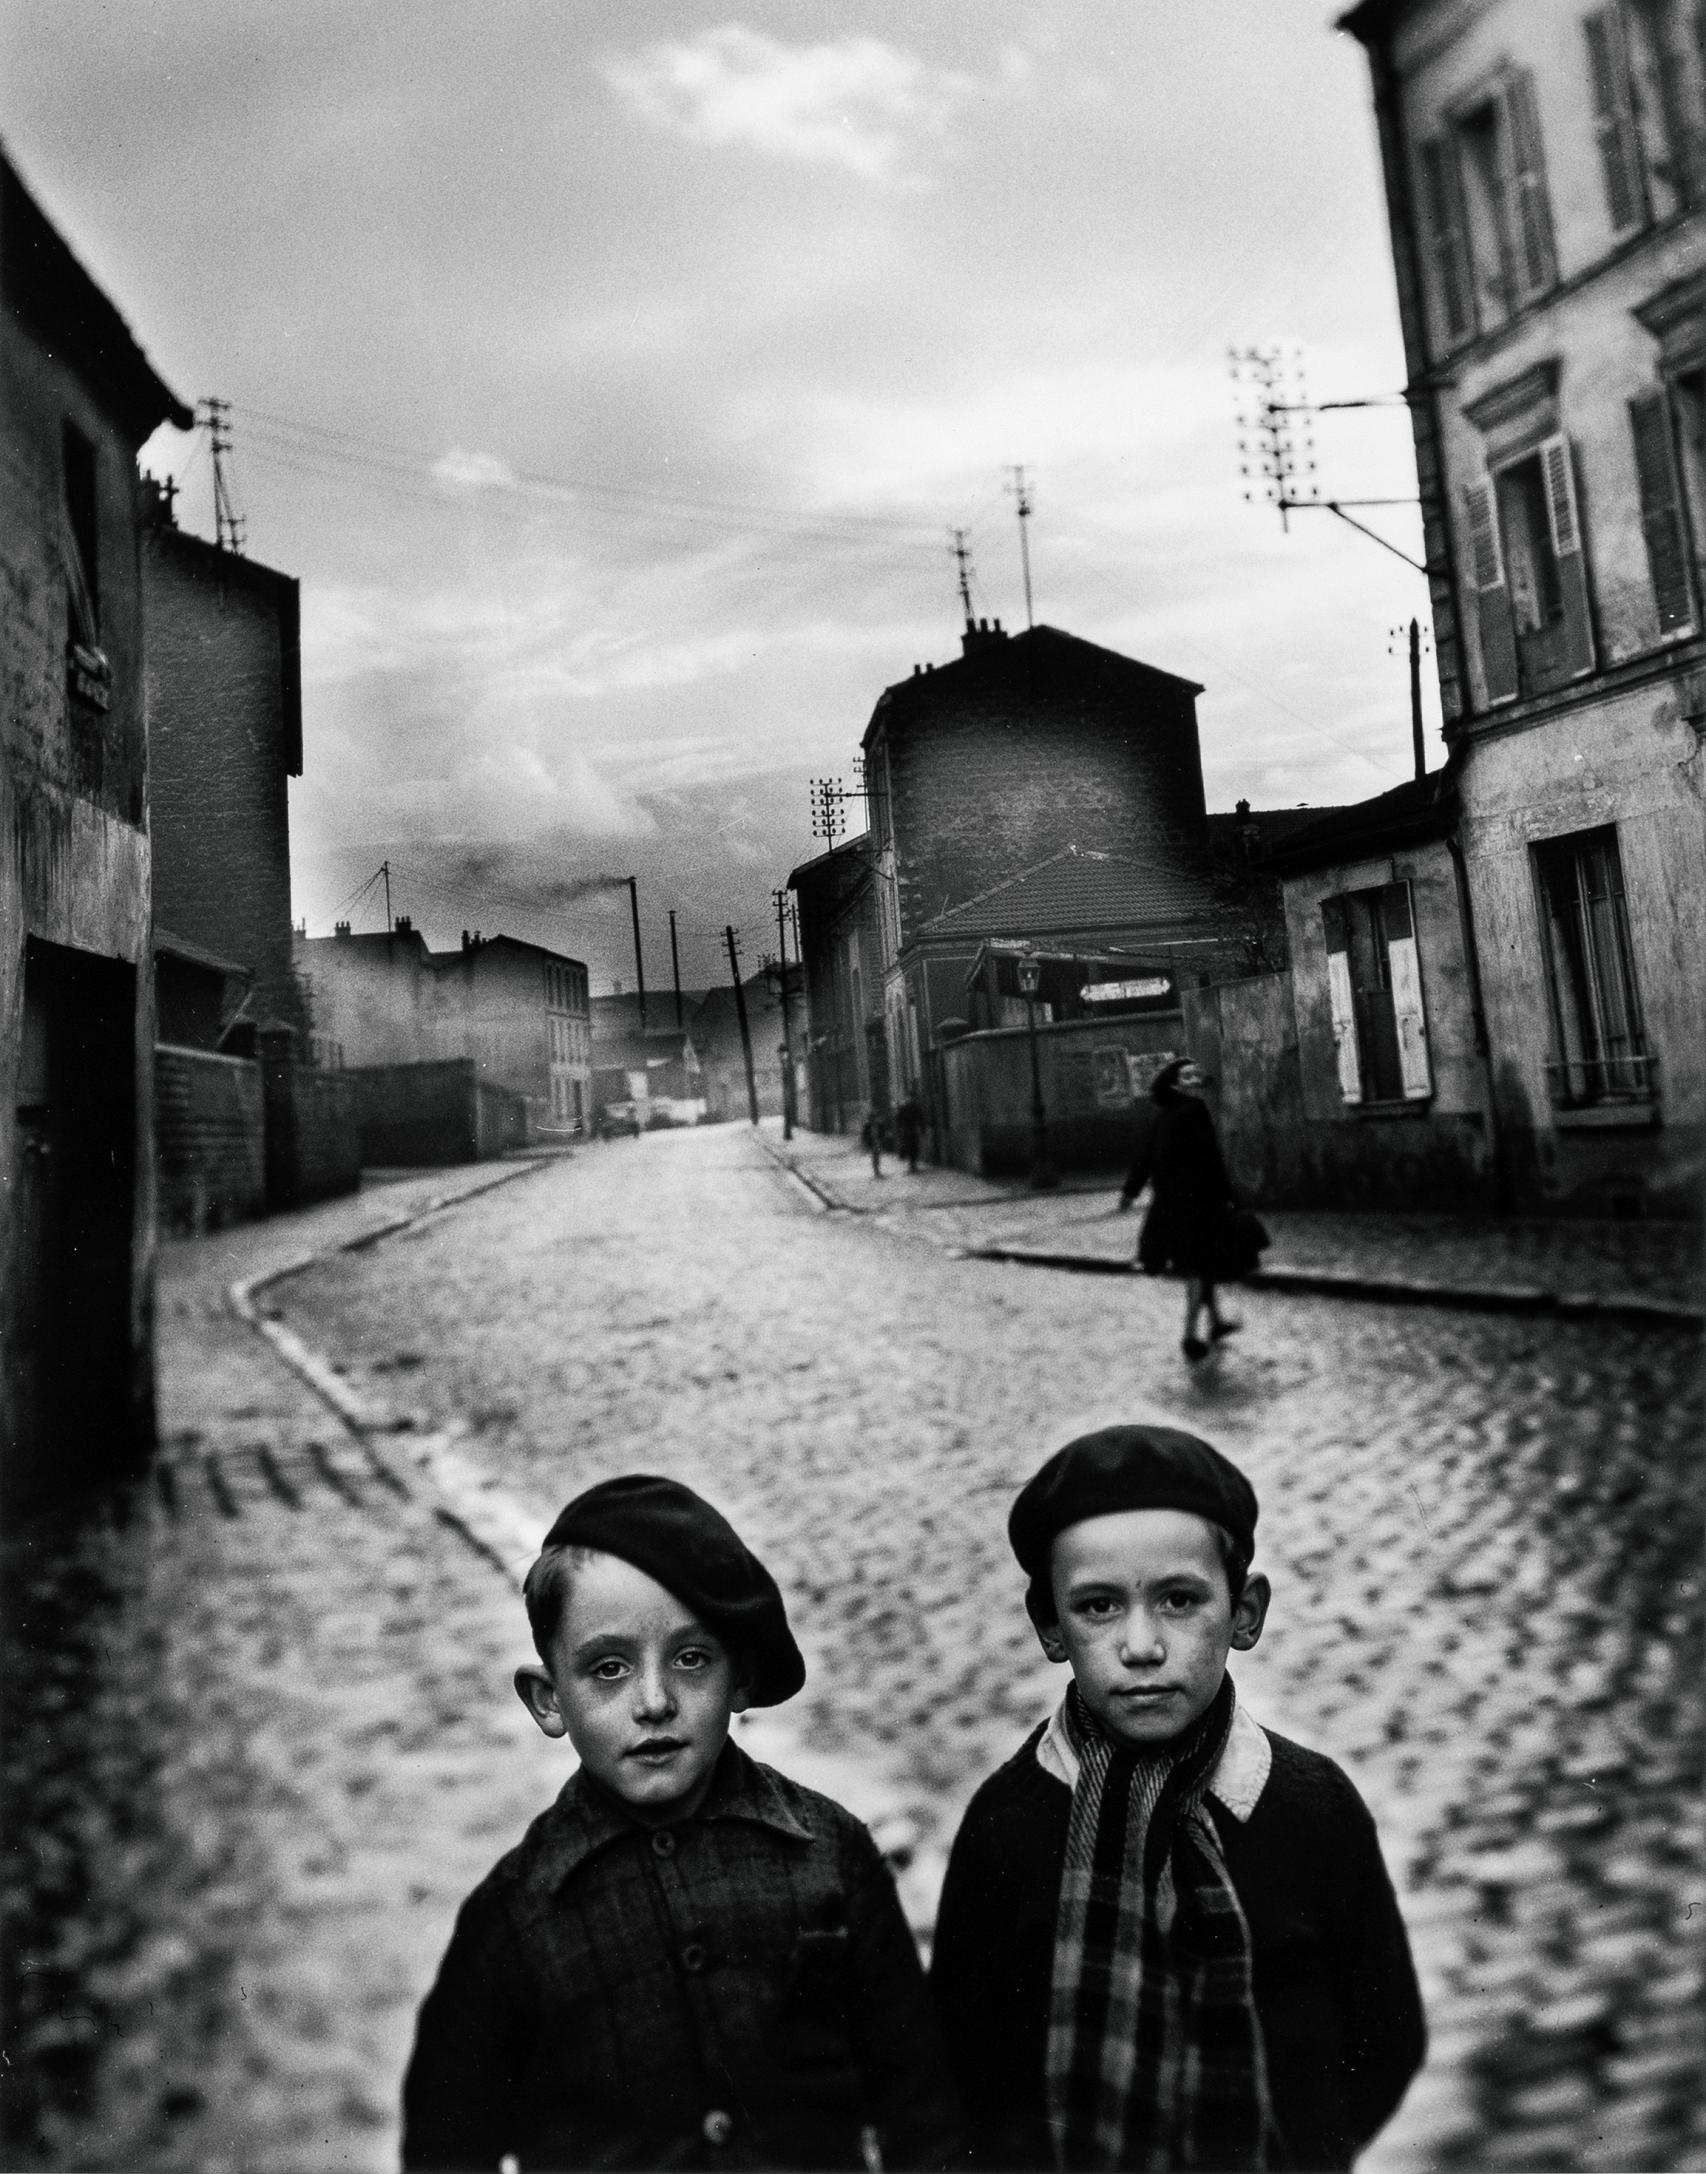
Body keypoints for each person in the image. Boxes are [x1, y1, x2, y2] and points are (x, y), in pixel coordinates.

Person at [401, 1475, 960, 2171]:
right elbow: (447, 2143)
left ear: (741, 1678)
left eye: (692, 1659)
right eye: (608, 1669)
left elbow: (921, 2106)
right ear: (548, 1701)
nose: (656, 1701)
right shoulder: (516, 1914)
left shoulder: (831, 1853)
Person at [930, 1426, 1425, 2173]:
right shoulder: (1010, 1823)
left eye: (1179, 1600)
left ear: (1245, 1611)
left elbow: (1383, 2037)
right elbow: (964, 2067)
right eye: (1098, 1607)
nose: (1141, 1645)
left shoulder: (1311, 1809)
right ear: (1049, 1628)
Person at [1118, 1057, 1263, 1362]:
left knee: (1202, 1264)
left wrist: (1130, 1192)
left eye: (1195, 1074)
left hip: (1170, 1207)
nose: (1194, 1079)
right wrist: (1230, 1195)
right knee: (1199, 1269)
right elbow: (1210, 1158)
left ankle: (1216, 1323)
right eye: (1186, 1076)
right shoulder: (1195, 1110)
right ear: (1174, 1084)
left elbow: (1144, 1158)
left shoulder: (1162, 1117)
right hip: (1198, 1205)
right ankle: (1189, 1336)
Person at [894, 1096, 924, 1174]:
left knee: (910, 1147)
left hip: (907, 1130)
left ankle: (912, 1164)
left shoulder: (904, 1108)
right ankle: (913, 1164)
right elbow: (921, 1119)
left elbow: (898, 1120)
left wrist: (898, 1130)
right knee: (913, 1147)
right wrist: (922, 1129)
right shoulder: (915, 1108)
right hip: (912, 1129)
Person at [861, 1106, 886, 1178]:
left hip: (878, 1142)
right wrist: (865, 1142)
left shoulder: (880, 1125)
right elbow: (864, 1135)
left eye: (874, 1118)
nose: (873, 1119)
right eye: (872, 1118)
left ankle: (877, 1170)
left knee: (877, 1156)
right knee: (875, 1156)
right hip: (872, 1143)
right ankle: (876, 1170)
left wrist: (882, 1139)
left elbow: (883, 1133)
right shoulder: (867, 1125)